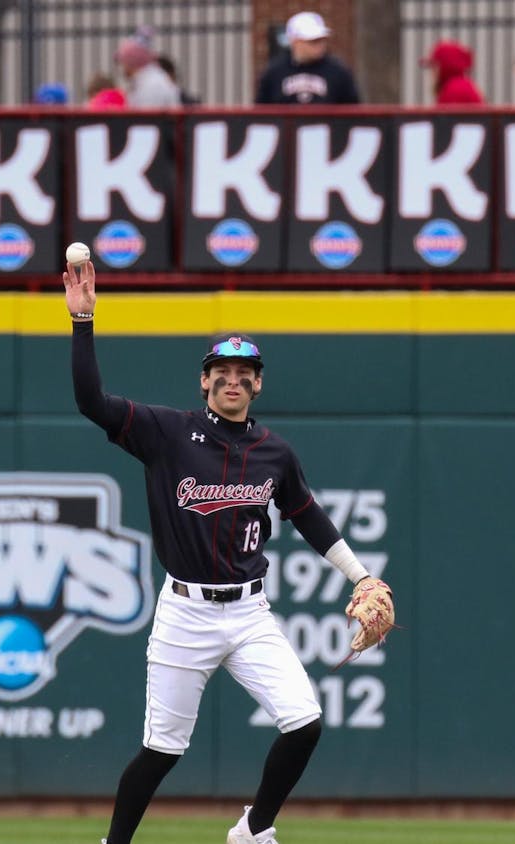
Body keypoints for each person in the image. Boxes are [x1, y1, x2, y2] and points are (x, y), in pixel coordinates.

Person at [63, 259, 394, 844]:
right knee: (162, 751)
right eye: (222, 370)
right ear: (205, 380)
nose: (233, 379)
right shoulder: (166, 432)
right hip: (185, 612)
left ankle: (253, 830)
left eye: (244, 372)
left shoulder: (274, 453)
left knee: (305, 723)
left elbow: (308, 516)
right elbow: (92, 402)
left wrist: (360, 576)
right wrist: (83, 321)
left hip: (248, 613)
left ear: (258, 382)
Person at [255, 12, 361, 104]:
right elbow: (261, 109)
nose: (320, 45)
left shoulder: (338, 71)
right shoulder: (275, 72)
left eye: (322, 40)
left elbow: (353, 109)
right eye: (312, 41)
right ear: (294, 41)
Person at [115, 26, 181, 108]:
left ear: (132, 63)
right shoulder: (151, 80)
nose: (122, 69)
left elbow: (145, 117)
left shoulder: (150, 85)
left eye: (123, 63)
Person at [423, 40, 484, 104]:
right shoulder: (459, 86)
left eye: (434, 66)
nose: (432, 72)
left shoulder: (455, 90)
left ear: (446, 66)